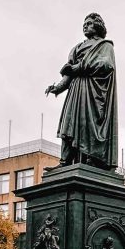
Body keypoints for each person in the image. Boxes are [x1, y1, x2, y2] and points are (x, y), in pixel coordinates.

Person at [45, 13, 118, 170]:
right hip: (76, 90)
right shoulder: (76, 48)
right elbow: (68, 74)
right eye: (84, 23)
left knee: (88, 126)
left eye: (89, 23)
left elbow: (106, 65)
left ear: (98, 26)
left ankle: (91, 159)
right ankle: (65, 161)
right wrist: (57, 87)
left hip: (93, 91)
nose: (85, 26)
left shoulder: (105, 46)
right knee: (68, 124)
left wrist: (80, 67)